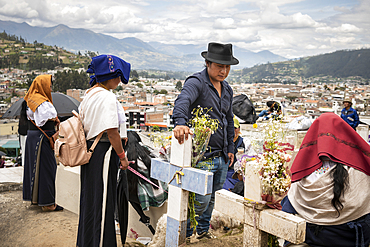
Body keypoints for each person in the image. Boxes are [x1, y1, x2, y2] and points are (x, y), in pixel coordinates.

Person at [172, 42, 238, 240]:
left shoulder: (227, 89)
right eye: (219, 66)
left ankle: (202, 232)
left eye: (227, 67)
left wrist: (231, 147)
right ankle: (188, 234)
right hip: (203, 155)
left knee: (213, 198)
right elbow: (183, 101)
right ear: (207, 63)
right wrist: (181, 122)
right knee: (200, 199)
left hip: (222, 156)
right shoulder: (196, 82)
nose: (224, 71)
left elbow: (228, 119)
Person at [282, 113, 370, 247]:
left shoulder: (305, 172)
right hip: (348, 240)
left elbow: (288, 206)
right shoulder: (358, 171)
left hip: (311, 239)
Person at [76, 55, 131, 247]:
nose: (120, 81)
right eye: (118, 76)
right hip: (103, 153)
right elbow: (112, 131)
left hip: (90, 152)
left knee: (90, 201)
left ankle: (87, 242)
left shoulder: (89, 95)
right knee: (103, 203)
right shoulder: (107, 97)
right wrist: (122, 157)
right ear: (112, 74)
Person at [22, 74, 62, 211]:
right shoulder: (41, 102)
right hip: (42, 138)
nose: (50, 87)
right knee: (47, 169)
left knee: (35, 169)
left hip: (34, 137)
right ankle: (48, 203)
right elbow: (42, 120)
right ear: (42, 85)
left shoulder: (31, 98)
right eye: (49, 85)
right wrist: (55, 118)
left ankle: (37, 200)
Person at [222, 116, 245, 191]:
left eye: (235, 128)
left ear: (239, 129)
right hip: (224, 170)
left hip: (233, 172)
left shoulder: (241, 142)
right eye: (231, 128)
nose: (233, 130)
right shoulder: (224, 140)